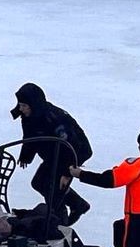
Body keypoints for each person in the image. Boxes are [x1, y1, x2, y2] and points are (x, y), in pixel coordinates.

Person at [11, 83, 92, 225]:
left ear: (33, 105)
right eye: (20, 105)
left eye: (24, 106)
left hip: (72, 155)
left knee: (53, 191)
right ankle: (77, 204)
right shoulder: (30, 116)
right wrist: (26, 156)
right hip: (54, 155)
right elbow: (30, 137)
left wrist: (68, 173)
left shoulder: (54, 119)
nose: (21, 109)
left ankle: (60, 224)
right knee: (38, 182)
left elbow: (73, 146)